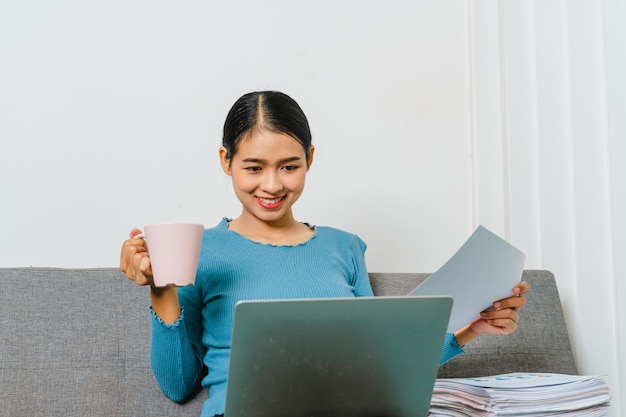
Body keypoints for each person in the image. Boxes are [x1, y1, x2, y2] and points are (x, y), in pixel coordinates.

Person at [120, 90, 530, 417]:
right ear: (226, 161)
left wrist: (473, 327)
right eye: (253, 167)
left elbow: (380, 364)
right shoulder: (200, 250)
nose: (272, 185)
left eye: (289, 166)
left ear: (310, 159)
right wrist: (161, 288)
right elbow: (177, 386)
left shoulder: (344, 247)